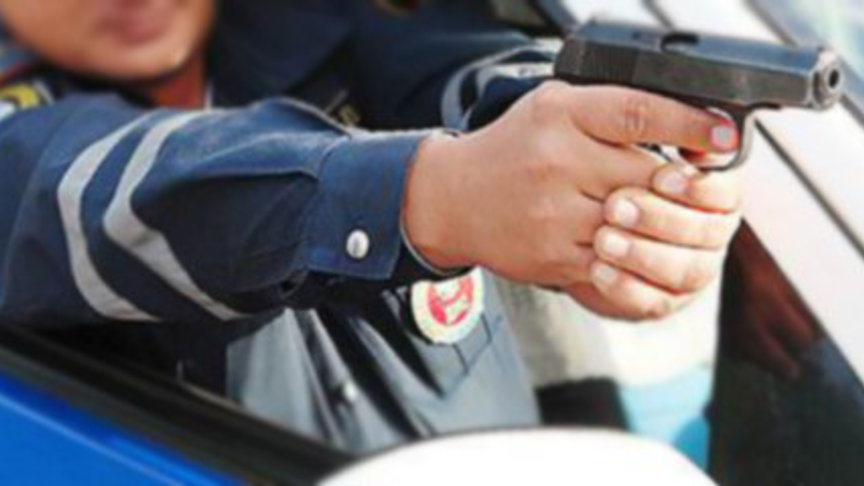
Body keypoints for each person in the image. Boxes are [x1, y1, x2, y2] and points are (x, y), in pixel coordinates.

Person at [0, 0, 743, 452]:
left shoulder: (319, 23)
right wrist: (434, 192)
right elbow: (102, 185)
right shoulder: (23, 128)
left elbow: (478, 72)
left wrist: (600, 165)